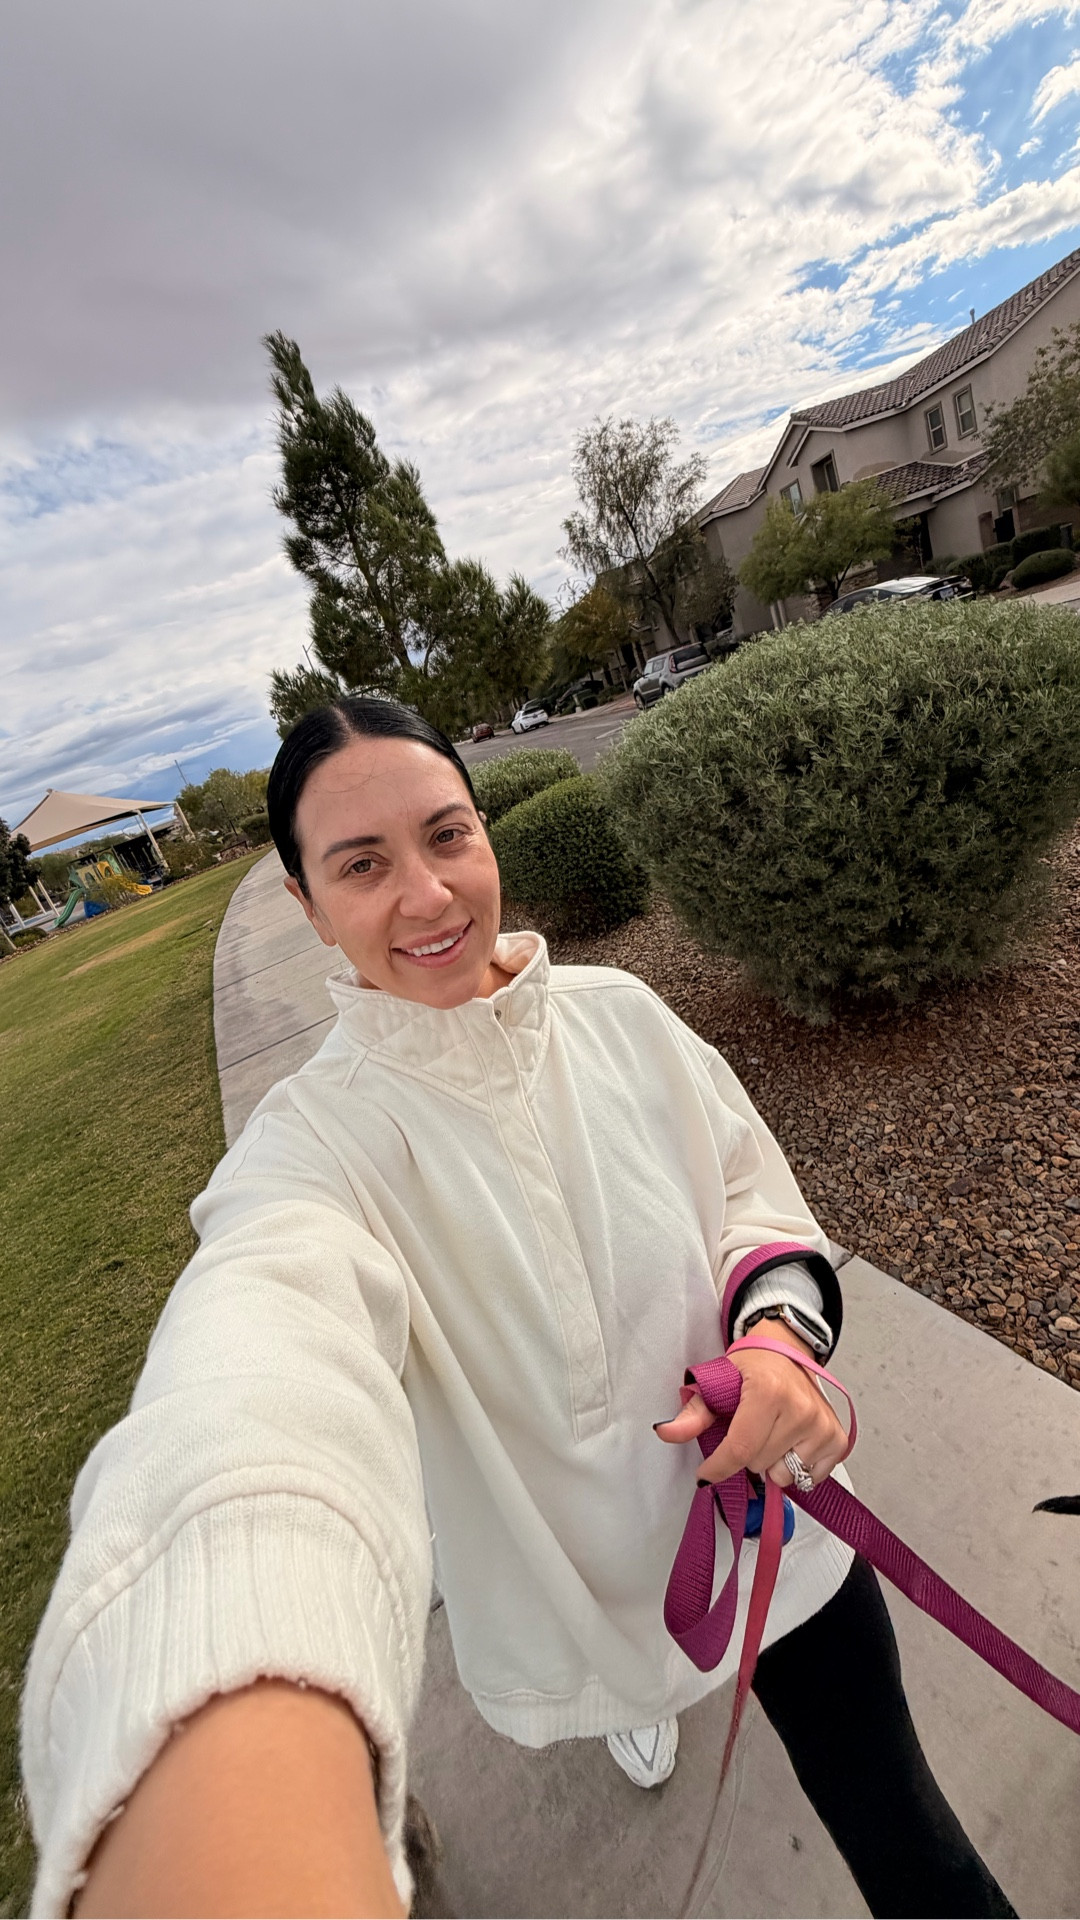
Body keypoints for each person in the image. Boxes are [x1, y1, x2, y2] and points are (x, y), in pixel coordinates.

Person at [21, 697, 1014, 1920]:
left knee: (914, 1847)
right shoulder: (312, 1148)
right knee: (634, 1685)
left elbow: (752, 1200)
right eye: (362, 865)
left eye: (448, 835)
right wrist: (211, 1686)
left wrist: (776, 1341)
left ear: (485, 833)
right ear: (305, 902)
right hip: (577, 1593)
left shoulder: (621, 1017)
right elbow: (254, 1351)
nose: (429, 895)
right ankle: (638, 1698)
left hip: (776, 1525)